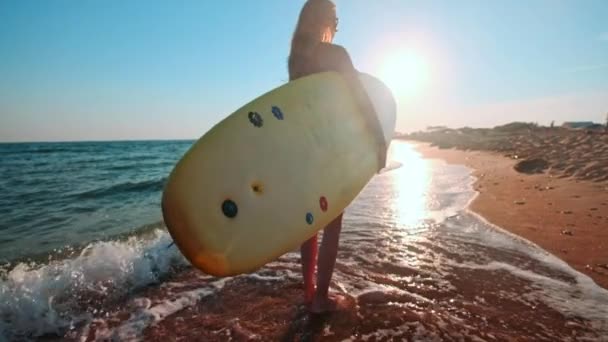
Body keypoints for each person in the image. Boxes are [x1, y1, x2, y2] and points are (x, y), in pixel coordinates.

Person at [288, 0, 385, 313]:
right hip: (332, 147)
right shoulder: (335, 53)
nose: (338, 24)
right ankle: (321, 300)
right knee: (332, 222)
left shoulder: (296, 59)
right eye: (335, 17)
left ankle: (309, 291)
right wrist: (379, 141)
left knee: (310, 224)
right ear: (324, 18)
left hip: (304, 148)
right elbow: (360, 97)